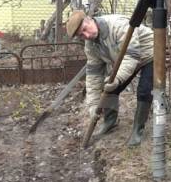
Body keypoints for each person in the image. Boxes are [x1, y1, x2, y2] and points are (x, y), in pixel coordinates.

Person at [66, 11, 154, 147]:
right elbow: (94, 75)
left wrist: (117, 78)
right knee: (108, 87)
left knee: (144, 91)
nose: (87, 36)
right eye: (81, 35)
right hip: (125, 60)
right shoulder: (91, 45)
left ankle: (138, 130)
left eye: (85, 29)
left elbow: (131, 56)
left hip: (149, 53)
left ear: (89, 20)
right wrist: (93, 106)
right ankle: (110, 122)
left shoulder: (118, 26)